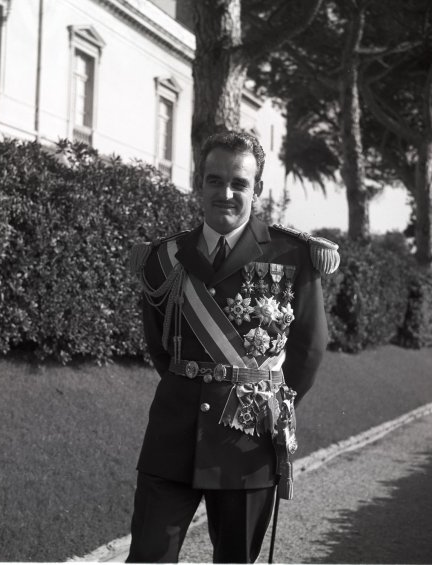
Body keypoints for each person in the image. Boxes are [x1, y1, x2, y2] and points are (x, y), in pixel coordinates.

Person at [127, 131, 339, 563]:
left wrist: (272, 404)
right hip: (172, 436)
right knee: (148, 556)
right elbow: (160, 345)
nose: (226, 193)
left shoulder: (293, 255)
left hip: (249, 441)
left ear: (257, 188)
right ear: (199, 182)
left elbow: (309, 349)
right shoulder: (163, 257)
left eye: (239, 183)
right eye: (214, 180)